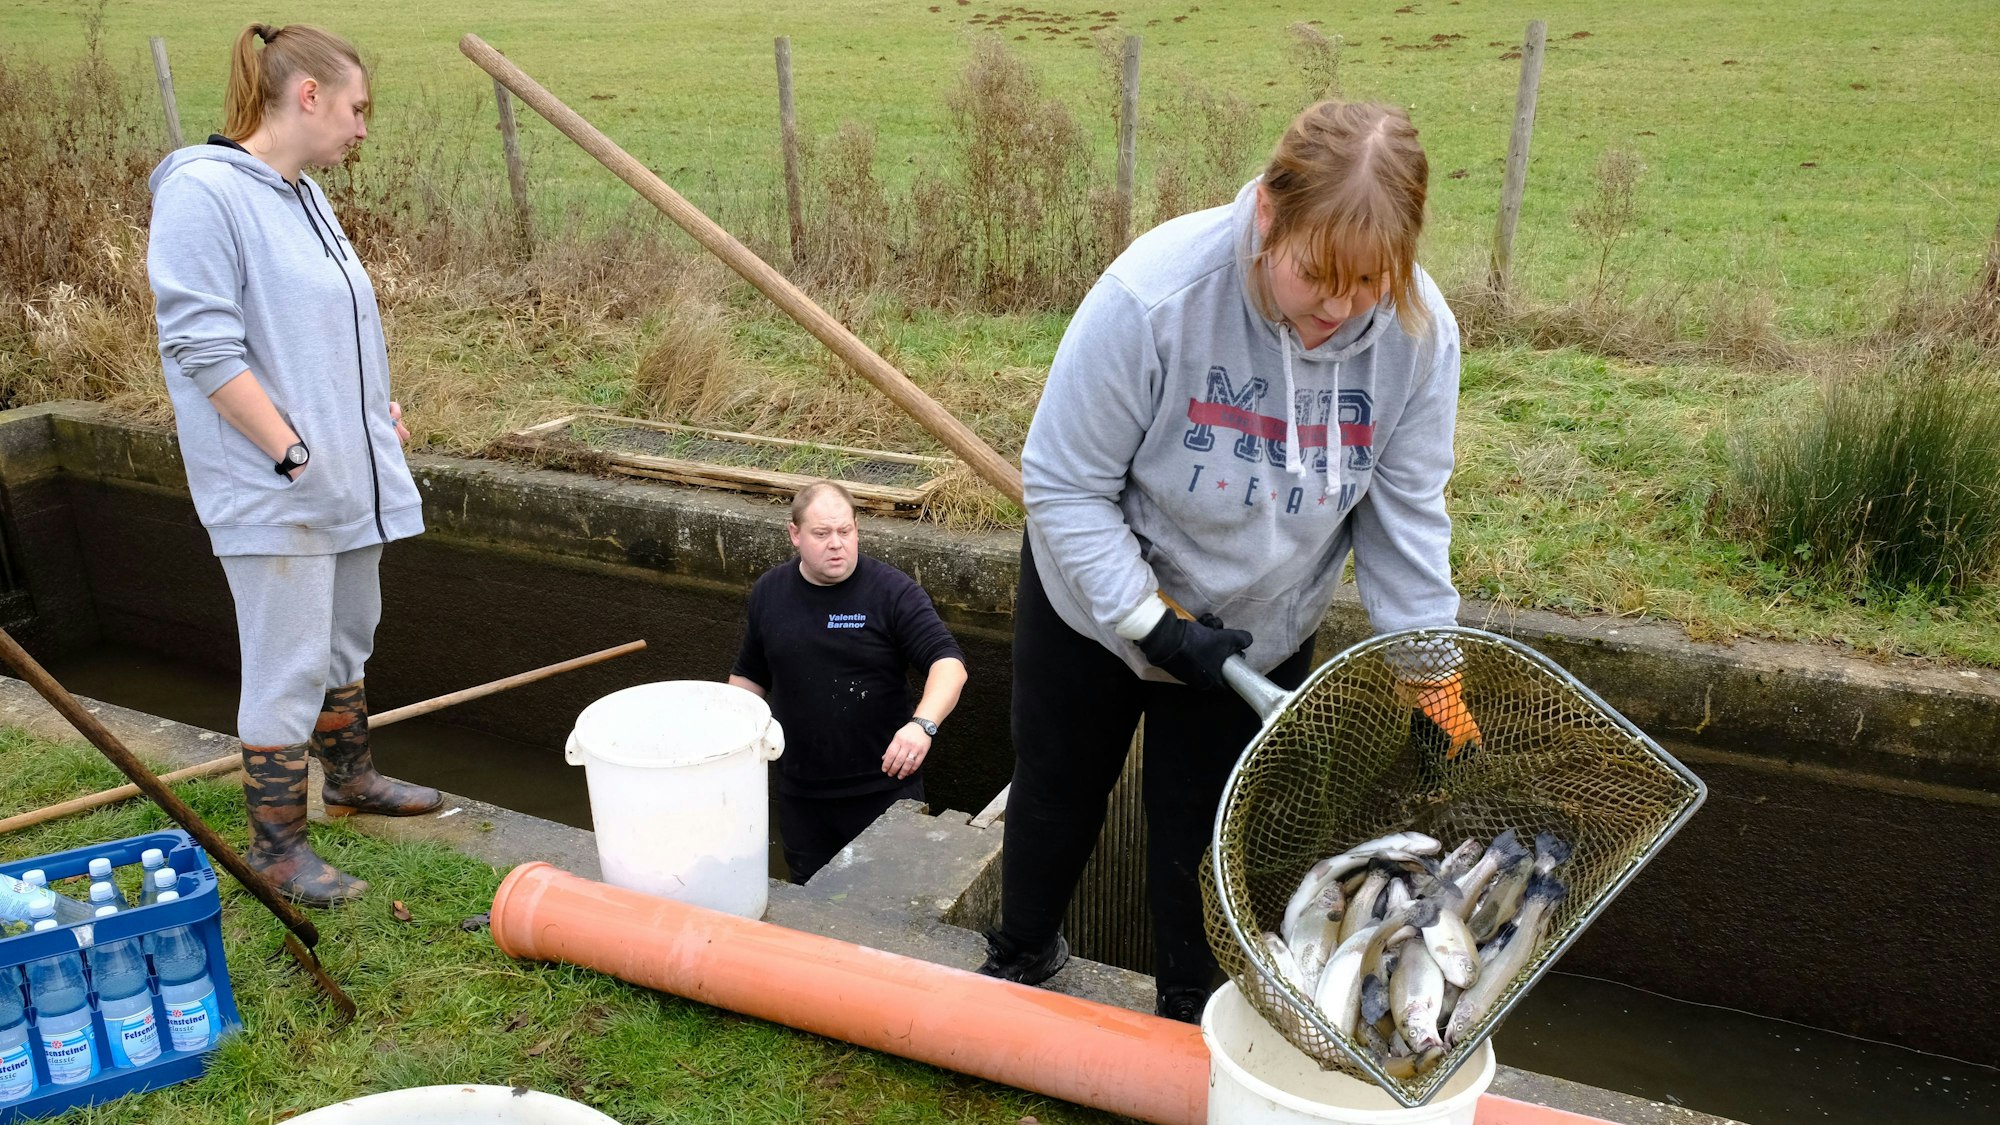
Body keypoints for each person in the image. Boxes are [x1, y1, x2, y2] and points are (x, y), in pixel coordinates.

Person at [977, 101, 1483, 1021]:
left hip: (1257, 629)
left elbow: (1405, 515)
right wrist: (1149, 623)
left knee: (1206, 847)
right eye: (1316, 275)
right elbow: (1060, 483)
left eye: (1369, 281)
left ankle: (1189, 1018)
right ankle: (1024, 954)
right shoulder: (1156, 296)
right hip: (1096, 603)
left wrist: (1430, 675)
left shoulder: (1418, 337)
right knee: (1056, 790)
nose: (1339, 307)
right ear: (1266, 220)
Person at [146, 23, 437, 908]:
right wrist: (292, 448)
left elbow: (320, 331)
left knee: (348, 633)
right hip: (280, 487)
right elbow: (202, 343)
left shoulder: (304, 195)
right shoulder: (204, 194)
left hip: (348, 476)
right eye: (356, 108)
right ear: (306, 95)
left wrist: (367, 410)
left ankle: (351, 776)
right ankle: (276, 846)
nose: (362, 127)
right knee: (287, 657)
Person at [729, 481, 970, 883]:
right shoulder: (770, 592)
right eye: (822, 534)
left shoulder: (893, 593)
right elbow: (749, 678)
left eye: (846, 531)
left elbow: (950, 665)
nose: (836, 544)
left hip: (884, 790)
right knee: (813, 908)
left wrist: (921, 725)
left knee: (892, 906)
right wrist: (724, 740)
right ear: (795, 535)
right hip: (802, 796)